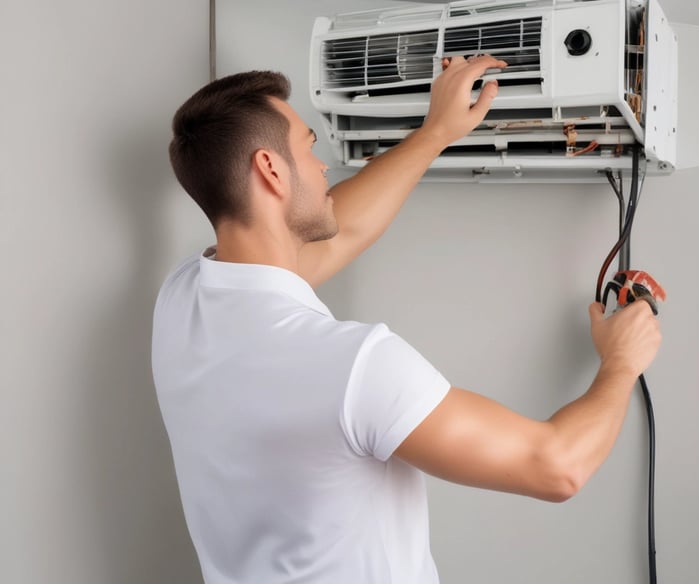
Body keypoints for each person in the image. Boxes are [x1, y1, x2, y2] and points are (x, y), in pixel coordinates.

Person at [152, 55, 661, 584]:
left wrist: (436, 132)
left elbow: (340, 231)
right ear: (271, 169)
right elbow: (555, 466)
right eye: (308, 146)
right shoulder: (351, 366)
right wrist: (621, 362)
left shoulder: (183, 297)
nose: (323, 164)